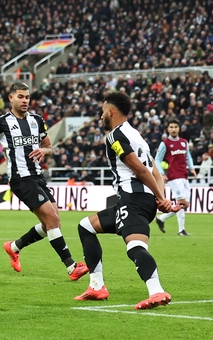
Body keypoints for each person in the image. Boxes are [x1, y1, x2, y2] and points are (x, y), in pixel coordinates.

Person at [74, 91, 177, 310]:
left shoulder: (115, 136)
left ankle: (156, 291)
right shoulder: (137, 135)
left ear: (111, 112)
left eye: (103, 111)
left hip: (133, 200)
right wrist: (159, 199)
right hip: (140, 201)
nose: (101, 116)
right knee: (85, 226)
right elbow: (157, 174)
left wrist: (161, 198)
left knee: (135, 247)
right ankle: (96, 285)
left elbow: (140, 170)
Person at [0, 82, 88, 281]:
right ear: (11, 98)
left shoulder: (36, 120)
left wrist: (44, 150)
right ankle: (71, 267)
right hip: (20, 179)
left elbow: (49, 146)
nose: (25, 101)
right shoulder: (1, 122)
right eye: (20, 96)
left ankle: (14, 247)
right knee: (52, 220)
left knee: (53, 223)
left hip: (37, 176)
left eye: (27, 97)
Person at [154, 120, 197, 236]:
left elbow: (188, 157)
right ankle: (181, 230)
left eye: (175, 127)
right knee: (182, 201)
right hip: (173, 177)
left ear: (179, 128)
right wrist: (162, 173)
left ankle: (161, 218)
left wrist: (192, 169)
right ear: (168, 129)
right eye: (171, 127)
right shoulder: (165, 144)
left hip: (184, 176)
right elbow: (157, 159)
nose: (173, 129)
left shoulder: (184, 142)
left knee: (184, 204)